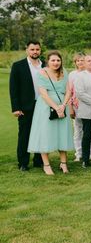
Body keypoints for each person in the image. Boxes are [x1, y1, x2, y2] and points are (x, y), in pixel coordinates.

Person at [27, 51, 74, 175]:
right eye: (53, 60)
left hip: (62, 105)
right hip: (45, 107)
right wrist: (56, 107)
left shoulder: (64, 71)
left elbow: (69, 90)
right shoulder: (42, 72)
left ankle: (63, 163)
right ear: (48, 61)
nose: (56, 63)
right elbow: (43, 93)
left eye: (58, 60)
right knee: (45, 134)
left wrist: (63, 106)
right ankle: (46, 165)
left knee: (63, 133)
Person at [10, 40, 44, 171]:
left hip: (43, 105)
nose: (35, 52)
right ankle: (23, 163)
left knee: (42, 134)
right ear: (27, 50)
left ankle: (39, 160)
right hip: (25, 107)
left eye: (37, 49)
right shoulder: (18, 66)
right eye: (32, 49)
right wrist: (16, 108)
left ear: (40, 50)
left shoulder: (45, 65)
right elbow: (14, 89)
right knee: (25, 134)